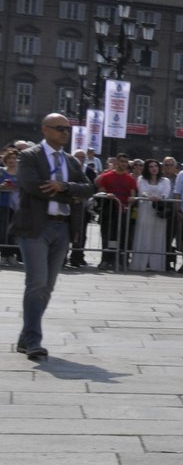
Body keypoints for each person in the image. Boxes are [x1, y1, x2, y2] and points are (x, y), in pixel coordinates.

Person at [11, 115, 95, 360]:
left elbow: (89, 188)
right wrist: (70, 193)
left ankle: (26, 337)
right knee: (36, 282)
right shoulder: (29, 156)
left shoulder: (70, 161)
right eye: (60, 128)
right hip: (36, 228)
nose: (65, 133)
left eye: (67, 129)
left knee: (47, 287)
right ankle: (34, 341)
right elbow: (33, 186)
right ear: (45, 129)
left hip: (62, 228)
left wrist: (63, 187)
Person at [95, 155, 138, 271]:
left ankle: (119, 260)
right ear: (116, 162)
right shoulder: (107, 176)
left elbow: (133, 194)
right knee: (107, 236)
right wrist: (106, 195)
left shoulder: (130, 179)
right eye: (121, 161)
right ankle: (105, 260)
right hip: (109, 212)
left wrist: (132, 199)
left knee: (122, 237)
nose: (123, 164)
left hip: (123, 212)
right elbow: (101, 192)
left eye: (125, 162)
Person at [130, 160, 171, 272]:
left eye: (156, 166)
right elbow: (142, 192)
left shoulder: (165, 180)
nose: (154, 168)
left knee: (158, 236)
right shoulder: (142, 179)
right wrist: (148, 196)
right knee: (144, 234)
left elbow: (166, 193)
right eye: (151, 166)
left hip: (159, 209)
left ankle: (156, 265)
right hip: (145, 209)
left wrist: (160, 197)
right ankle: (141, 263)